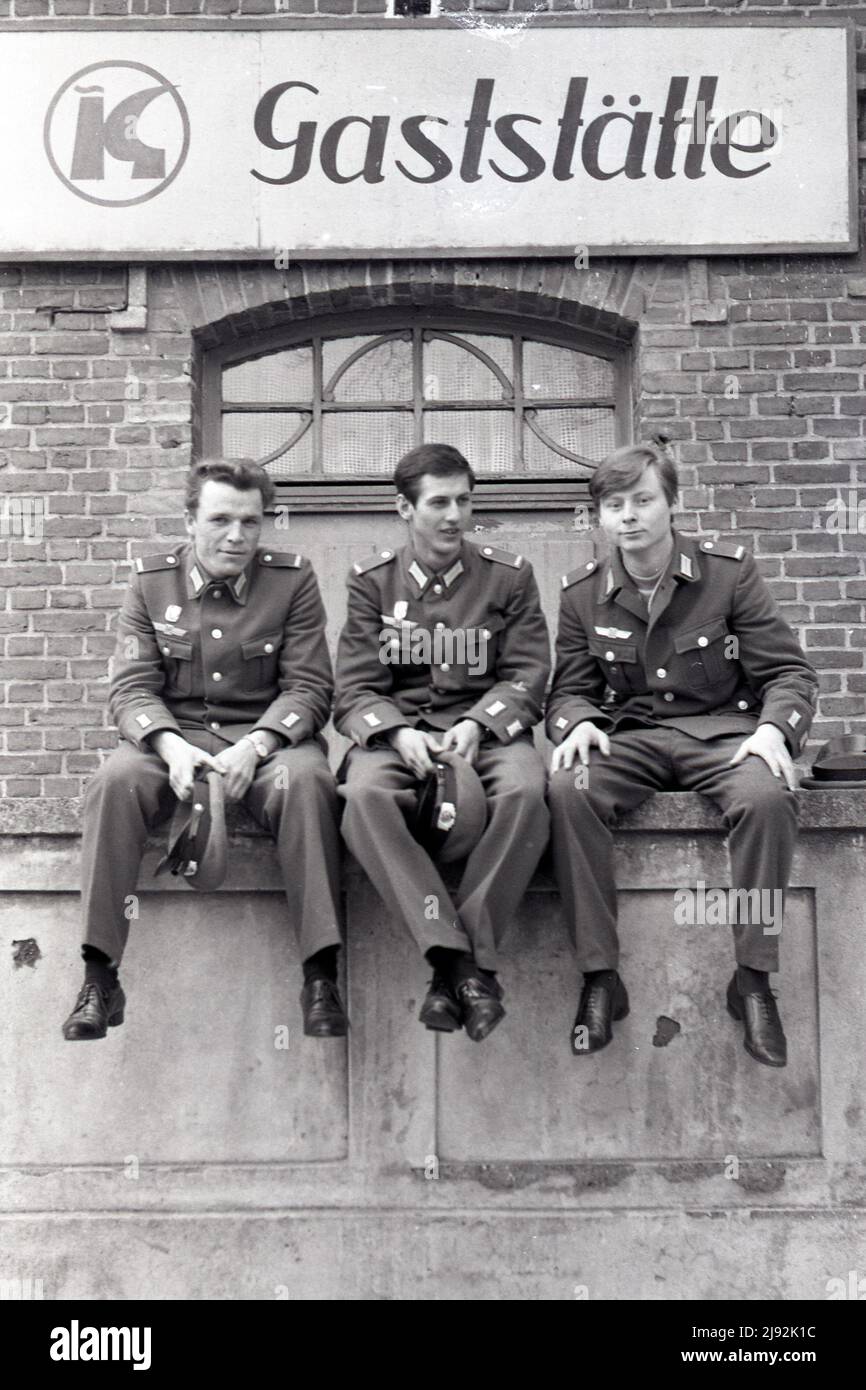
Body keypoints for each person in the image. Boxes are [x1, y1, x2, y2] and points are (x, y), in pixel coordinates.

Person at [547, 443, 818, 1067]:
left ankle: (752, 978)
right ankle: (600, 976)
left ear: (672, 504)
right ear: (600, 519)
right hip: (630, 737)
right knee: (568, 788)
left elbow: (789, 673)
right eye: (613, 506)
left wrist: (776, 731)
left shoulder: (728, 573)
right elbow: (568, 689)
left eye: (643, 500)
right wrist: (579, 722)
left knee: (767, 796)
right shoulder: (583, 593)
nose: (629, 516)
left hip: (723, 734)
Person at [62, 458, 347, 1042]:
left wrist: (259, 744)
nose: (237, 536)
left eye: (251, 521)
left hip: (266, 742)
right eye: (220, 520)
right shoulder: (151, 582)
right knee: (114, 783)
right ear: (190, 520)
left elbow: (310, 685)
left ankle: (320, 975)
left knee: (309, 782)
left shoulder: (291, 581)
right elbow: (132, 686)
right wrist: (168, 748)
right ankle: (100, 977)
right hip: (174, 736)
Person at [334, 443, 550, 1042]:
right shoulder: (372, 583)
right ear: (403, 508)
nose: (454, 516)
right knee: (364, 797)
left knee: (528, 791)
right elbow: (352, 689)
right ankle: (456, 964)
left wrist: (481, 723)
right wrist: (396, 731)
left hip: (485, 734)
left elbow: (530, 674)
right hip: (399, 734)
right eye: (439, 503)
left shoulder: (508, 576)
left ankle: (463, 962)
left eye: (464, 501)